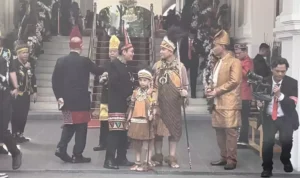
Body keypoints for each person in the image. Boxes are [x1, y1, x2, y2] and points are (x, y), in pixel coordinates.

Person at [52, 26, 104, 163]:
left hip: (66, 103)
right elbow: (98, 71)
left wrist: (59, 98)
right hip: (81, 102)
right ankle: (77, 154)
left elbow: (55, 82)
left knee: (68, 125)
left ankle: (61, 148)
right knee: (81, 128)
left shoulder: (61, 61)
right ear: (80, 46)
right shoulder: (85, 61)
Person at [151, 26, 189, 168]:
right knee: (158, 131)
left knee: (173, 130)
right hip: (159, 103)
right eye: (160, 49)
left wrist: (184, 93)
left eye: (163, 49)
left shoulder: (180, 67)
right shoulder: (157, 66)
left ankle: (172, 157)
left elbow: (185, 85)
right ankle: (158, 155)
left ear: (171, 50)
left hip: (173, 104)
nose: (160, 51)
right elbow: (152, 85)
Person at [206, 30, 242, 170]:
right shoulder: (218, 62)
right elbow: (214, 80)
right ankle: (223, 156)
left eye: (215, 45)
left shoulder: (234, 61)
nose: (213, 48)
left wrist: (216, 91)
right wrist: (210, 89)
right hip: (217, 102)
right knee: (219, 130)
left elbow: (234, 81)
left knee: (230, 131)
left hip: (229, 102)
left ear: (223, 46)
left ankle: (231, 159)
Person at [257, 58, 298, 177]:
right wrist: (260, 105)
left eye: (283, 71)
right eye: (277, 71)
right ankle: (267, 169)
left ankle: (285, 159)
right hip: (269, 117)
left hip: (286, 117)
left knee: (286, 141)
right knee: (267, 143)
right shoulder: (263, 81)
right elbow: (258, 98)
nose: (280, 74)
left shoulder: (292, 83)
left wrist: (279, 95)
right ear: (271, 69)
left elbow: (292, 104)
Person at [103, 30, 135, 169]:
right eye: (131, 51)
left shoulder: (125, 66)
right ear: (123, 52)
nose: (133, 54)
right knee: (115, 133)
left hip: (124, 105)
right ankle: (109, 159)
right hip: (117, 104)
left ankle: (121, 157)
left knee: (123, 133)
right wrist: (128, 94)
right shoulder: (115, 65)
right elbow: (115, 83)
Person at [93, 35, 120, 151]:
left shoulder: (121, 65)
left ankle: (118, 143)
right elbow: (98, 76)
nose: (111, 53)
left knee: (116, 122)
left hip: (117, 97)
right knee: (103, 122)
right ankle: (102, 143)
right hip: (105, 97)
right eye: (110, 51)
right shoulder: (105, 64)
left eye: (114, 51)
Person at [0, 33, 22, 171]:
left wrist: (16, 86)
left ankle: (15, 153)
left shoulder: (7, 53)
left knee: (2, 128)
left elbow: (12, 71)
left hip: (3, 94)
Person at [127, 69, 156, 171]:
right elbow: (131, 106)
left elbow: (154, 106)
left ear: (149, 81)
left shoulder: (152, 92)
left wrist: (152, 114)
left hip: (146, 120)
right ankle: (137, 162)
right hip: (135, 119)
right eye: (140, 80)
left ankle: (146, 162)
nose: (142, 82)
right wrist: (129, 118)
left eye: (145, 80)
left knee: (146, 142)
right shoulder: (135, 92)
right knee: (136, 142)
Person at [11, 42, 37, 143]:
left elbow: (33, 77)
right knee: (16, 114)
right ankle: (14, 134)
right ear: (18, 54)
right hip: (17, 93)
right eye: (23, 53)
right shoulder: (14, 64)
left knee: (24, 115)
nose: (26, 54)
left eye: (27, 52)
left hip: (26, 93)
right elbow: (13, 77)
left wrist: (35, 91)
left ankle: (20, 133)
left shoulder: (30, 64)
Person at [234, 43, 253, 147]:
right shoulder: (240, 61)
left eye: (239, 53)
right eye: (236, 53)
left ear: (245, 52)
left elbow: (246, 74)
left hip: (245, 94)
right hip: (238, 93)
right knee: (238, 117)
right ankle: (238, 137)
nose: (237, 55)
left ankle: (243, 139)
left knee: (244, 118)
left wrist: (238, 65)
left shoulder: (248, 61)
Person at [180, 28, 202, 98]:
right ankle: (183, 92)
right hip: (185, 61)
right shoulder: (184, 41)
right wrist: (180, 62)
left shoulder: (198, 41)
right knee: (183, 77)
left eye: (193, 35)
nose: (192, 36)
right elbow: (181, 51)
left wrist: (194, 50)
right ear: (189, 34)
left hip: (194, 62)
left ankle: (193, 94)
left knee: (193, 78)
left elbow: (201, 51)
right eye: (191, 34)